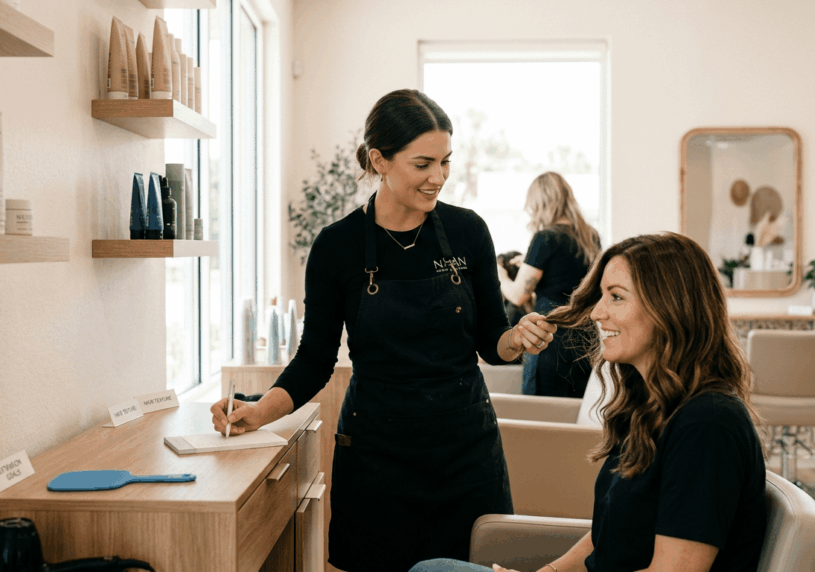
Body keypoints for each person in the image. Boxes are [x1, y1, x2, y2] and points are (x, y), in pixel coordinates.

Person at [210, 89, 557, 572]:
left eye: (445, 162)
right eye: (422, 164)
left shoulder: (468, 231)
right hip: (378, 455)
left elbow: (492, 342)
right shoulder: (337, 247)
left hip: (464, 451)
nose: (438, 178)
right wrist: (258, 410)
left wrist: (516, 338)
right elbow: (315, 359)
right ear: (380, 160)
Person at [412, 232, 768, 572]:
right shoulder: (648, 408)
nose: (597, 313)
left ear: (671, 308)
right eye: (601, 296)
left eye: (616, 296)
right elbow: (606, 536)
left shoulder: (707, 426)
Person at [497, 172, 600, 397]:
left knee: (542, 413)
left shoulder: (545, 238)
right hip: (586, 338)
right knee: (575, 411)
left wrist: (500, 275)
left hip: (549, 337)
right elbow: (565, 276)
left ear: (539, 203)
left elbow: (517, 296)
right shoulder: (590, 237)